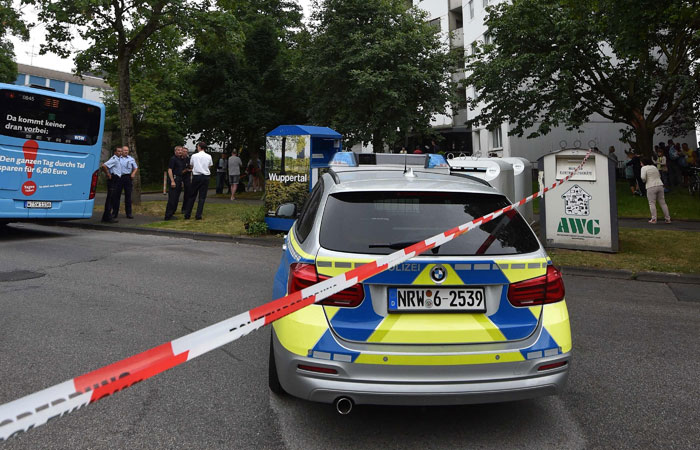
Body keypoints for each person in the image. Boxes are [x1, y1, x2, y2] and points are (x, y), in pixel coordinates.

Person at [182, 142, 213, 220]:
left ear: (199, 147)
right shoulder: (209, 156)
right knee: (202, 197)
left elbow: (191, 165)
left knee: (192, 195)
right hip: (205, 176)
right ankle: (198, 215)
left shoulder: (194, 156)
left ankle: (187, 214)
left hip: (197, 176)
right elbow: (209, 166)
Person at [641, 157, 671, 224]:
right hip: (660, 185)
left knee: (652, 203)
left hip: (650, 186)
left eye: (641, 163)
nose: (641, 164)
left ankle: (654, 219)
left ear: (643, 163)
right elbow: (659, 175)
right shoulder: (654, 167)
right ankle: (668, 219)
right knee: (663, 203)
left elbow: (643, 177)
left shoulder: (644, 168)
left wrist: (645, 181)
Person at [114, 145, 138, 219]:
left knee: (128, 196)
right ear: (122, 151)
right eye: (124, 150)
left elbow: (136, 167)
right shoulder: (117, 158)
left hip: (127, 177)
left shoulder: (131, 159)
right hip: (119, 177)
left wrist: (133, 173)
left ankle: (129, 213)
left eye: (127, 150)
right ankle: (114, 213)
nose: (126, 152)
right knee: (117, 196)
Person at [164, 146, 187, 220]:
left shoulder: (180, 160)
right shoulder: (173, 159)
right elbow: (170, 170)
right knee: (172, 198)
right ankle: (168, 215)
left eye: (181, 150)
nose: (180, 151)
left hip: (179, 179)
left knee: (176, 198)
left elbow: (181, 171)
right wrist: (172, 181)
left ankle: (172, 212)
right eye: (178, 150)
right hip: (174, 178)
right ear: (175, 151)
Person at [100, 147, 122, 223]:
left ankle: (106, 216)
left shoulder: (118, 159)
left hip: (117, 179)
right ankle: (108, 217)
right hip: (113, 179)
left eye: (121, 151)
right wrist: (108, 174)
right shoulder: (114, 159)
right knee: (110, 198)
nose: (120, 152)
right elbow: (104, 165)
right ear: (115, 152)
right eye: (118, 151)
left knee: (112, 198)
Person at [180, 146, 192, 214]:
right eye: (184, 151)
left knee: (187, 193)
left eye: (186, 152)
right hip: (180, 177)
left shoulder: (188, 159)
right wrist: (185, 170)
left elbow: (190, 166)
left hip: (187, 178)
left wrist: (190, 169)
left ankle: (185, 208)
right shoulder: (178, 159)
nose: (185, 153)